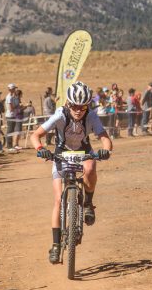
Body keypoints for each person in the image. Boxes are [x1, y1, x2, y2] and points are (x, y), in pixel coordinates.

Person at [30, 82, 112, 264]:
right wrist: (40, 148)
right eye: (74, 106)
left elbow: (104, 137)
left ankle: (88, 204)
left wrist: (106, 150)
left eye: (82, 106)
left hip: (83, 152)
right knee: (59, 200)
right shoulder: (60, 114)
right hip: (61, 155)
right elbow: (35, 135)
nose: (78, 110)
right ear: (68, 104)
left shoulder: (91, 116)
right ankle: (56, 245)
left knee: (91, 167)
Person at [4, 83, 20, 150]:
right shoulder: (9, 97)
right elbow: (10, 108)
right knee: (10, 131)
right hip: (10, 115)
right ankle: (9, 146)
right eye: (14, 88)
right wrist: (17, 107)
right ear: (11, 89)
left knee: (11, 131)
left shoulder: (12, 96)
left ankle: (10, 145)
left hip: (13, 115)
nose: (15, 89)